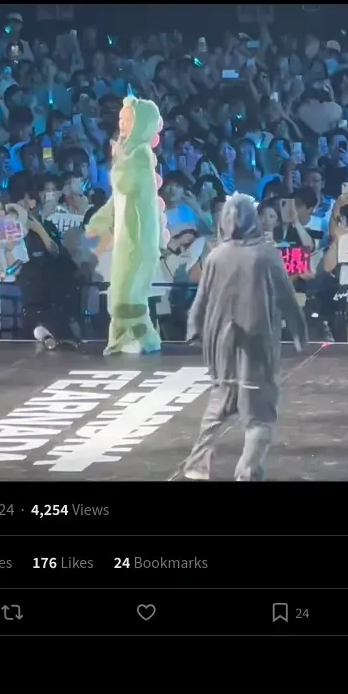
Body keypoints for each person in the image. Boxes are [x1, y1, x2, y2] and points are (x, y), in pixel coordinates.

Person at [175, 194, 308, 482]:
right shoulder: (265, 254)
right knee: (260, 413)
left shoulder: (217, 255)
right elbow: (287, 297)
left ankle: (197, 465)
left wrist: (194, 329)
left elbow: (200, 299)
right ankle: (247, 472)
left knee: (220, 400)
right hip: (256, 341)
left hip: (221, 343)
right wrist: (299, 332)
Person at [84, 96, 171, 354]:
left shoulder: (140, 154)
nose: (122, 124)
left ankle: (145, 338)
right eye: (121, 119)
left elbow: (126, 185)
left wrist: (119, 162)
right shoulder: (131, 154)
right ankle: (123, 339)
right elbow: (118, 199)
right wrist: (100, 220)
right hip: (128, 236)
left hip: (139, 236)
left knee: (128, 294)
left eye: (129, 120)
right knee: (123, 293)